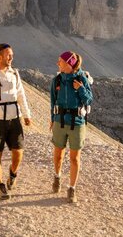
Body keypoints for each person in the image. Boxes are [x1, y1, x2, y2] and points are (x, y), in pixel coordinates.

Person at [0, 43, 32, 200]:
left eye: (12, 55)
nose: (11, 57)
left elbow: (21, 95)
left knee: (19, 152)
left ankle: (13, 173)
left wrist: (26, 114)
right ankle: (0, 186)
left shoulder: (14, 73)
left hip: (14, 118)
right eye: (8, 55)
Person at [49, 51, 93, 203]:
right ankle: (57, 176)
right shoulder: (57, 80)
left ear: (69, 63)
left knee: (74, 158)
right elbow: (52, 101)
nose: (57, 63)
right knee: (58, 154)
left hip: (77, 123)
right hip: (59, 121)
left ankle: (72, 189)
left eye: (60, 61)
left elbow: (89, 99)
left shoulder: (82, 79)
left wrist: (80, 88)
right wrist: (51, 119)